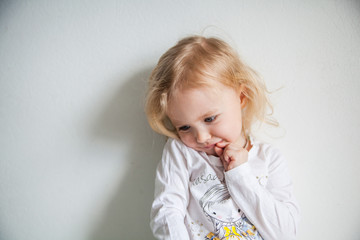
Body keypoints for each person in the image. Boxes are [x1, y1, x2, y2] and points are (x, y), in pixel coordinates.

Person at [145, 35, 300, 240]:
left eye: (209, 118)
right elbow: (166, 212)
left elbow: (286, 233)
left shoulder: (269, 158)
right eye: (184, 127)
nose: (201, 137)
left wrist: (240, 175)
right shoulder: (182, 152)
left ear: (241, 98)